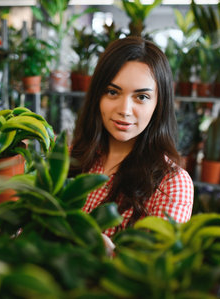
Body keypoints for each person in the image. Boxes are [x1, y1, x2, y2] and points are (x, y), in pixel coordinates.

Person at [69, 36, 194, 236]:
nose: (125, 110)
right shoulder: (71, 157)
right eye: (112, 92)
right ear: (97, 96)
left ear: (158, 105)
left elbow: (157, 264)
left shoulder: (171, 183)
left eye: (141, 97)